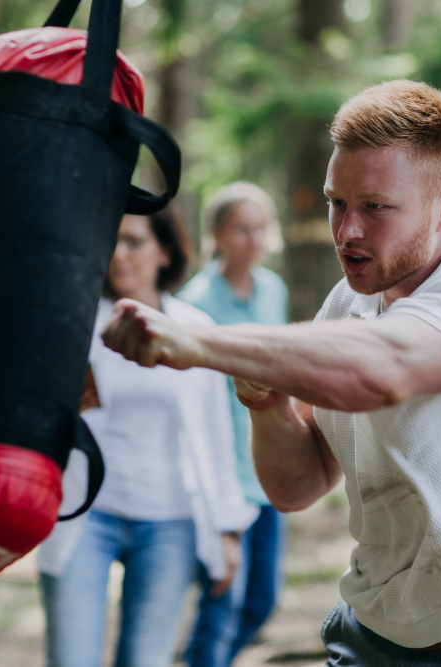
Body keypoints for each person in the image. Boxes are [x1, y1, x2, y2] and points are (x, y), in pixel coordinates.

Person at [101, 80, 441, 666]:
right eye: (338, 202)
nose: (347, 231)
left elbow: (383, 369)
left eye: (375, 207)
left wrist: (204, 341)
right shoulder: (346, 302)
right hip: (370, 637)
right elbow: (298, 487)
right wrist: (268, 407)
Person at [36, 208, 258, 667]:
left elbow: (216, 434)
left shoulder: (194, 329)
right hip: (85, 513)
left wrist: (227, 527)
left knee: (145, 659)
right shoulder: (72, 325)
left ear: (164, 252)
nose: (119, 255)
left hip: (169, 522)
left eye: (134, 241)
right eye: (110, 241)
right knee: (70, 658)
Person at [177, 182, 289, 667]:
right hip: (222, 475)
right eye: (241, 228)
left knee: (260, 602)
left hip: (269, 471)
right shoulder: (194, 303)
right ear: (217, 235)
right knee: (223, 598)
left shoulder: (274, 290)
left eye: (260, 227)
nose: (253, 238)